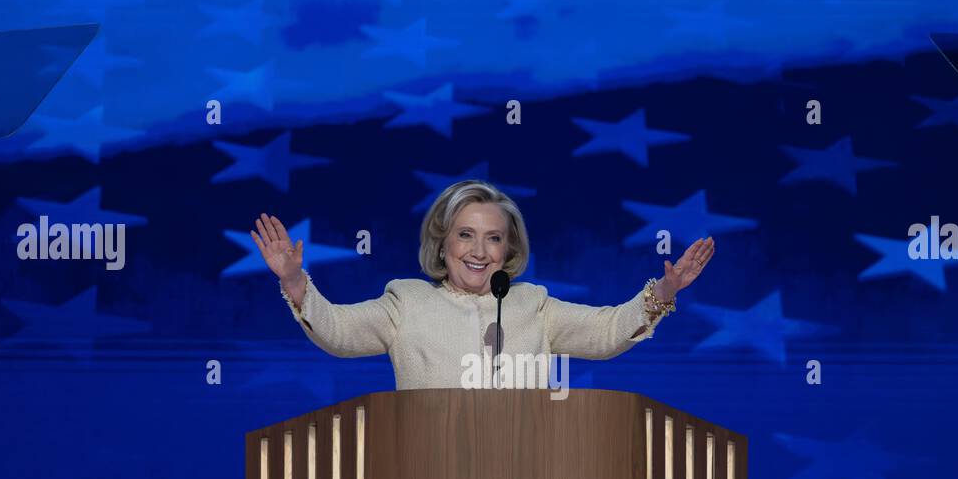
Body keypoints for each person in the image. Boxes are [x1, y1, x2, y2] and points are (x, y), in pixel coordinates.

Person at [248, 179, 716, 390]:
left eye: (494, 238)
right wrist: (294, 279)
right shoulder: (405, 302)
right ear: (443, 241)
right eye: (465, 235)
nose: (479, 250)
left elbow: (608, 330)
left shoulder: (533, 305)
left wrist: (666, 292)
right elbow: (338, 332)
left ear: (508, 250)